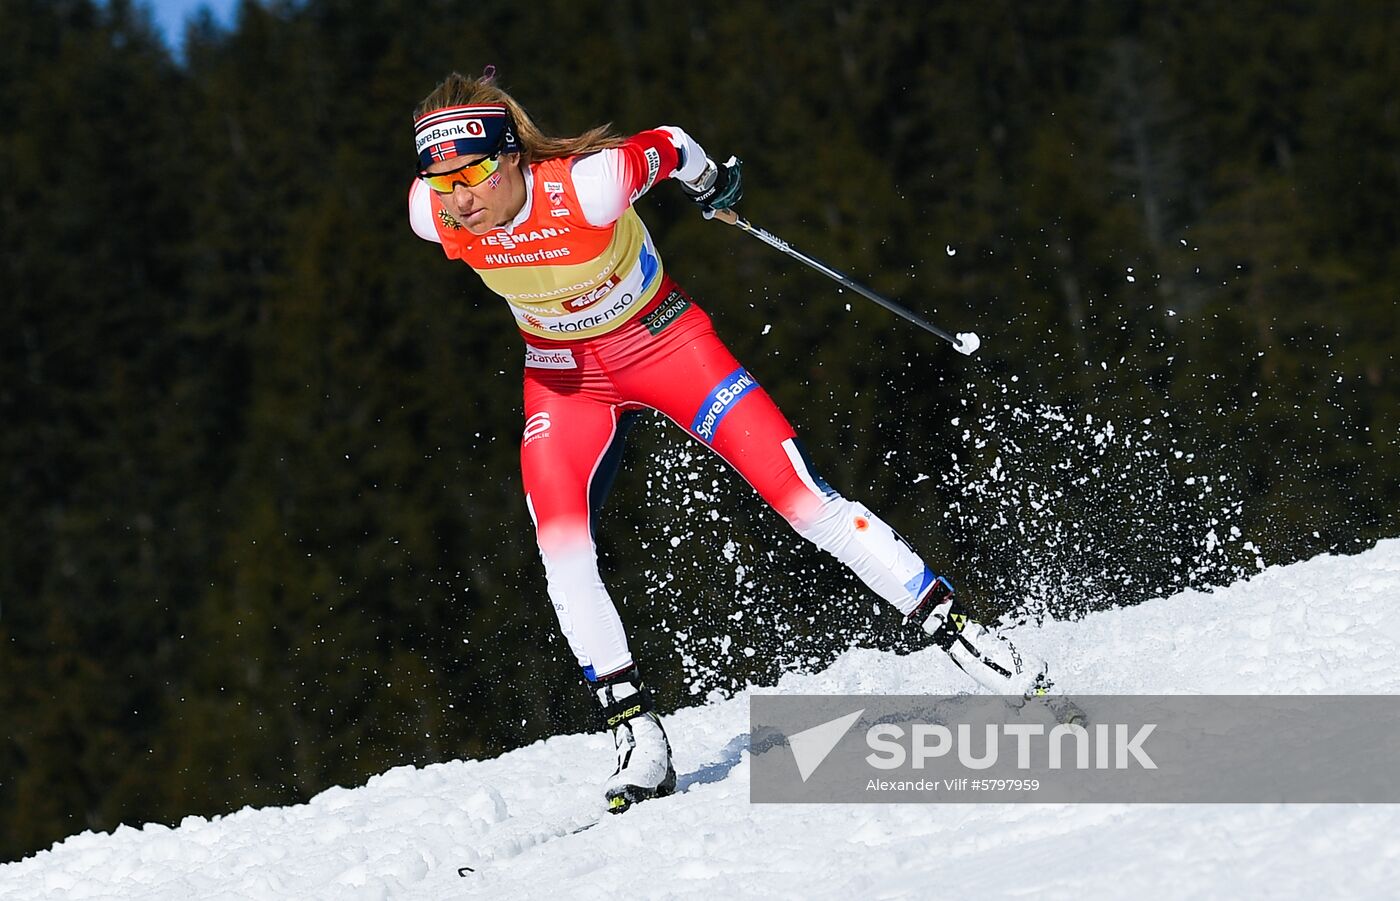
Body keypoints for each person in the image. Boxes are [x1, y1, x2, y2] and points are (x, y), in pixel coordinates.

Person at [408, 70, 1057, 814]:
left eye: (476, 172)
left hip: (662, 341)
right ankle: (636, 734)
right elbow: (445, 204)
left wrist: (712, 184)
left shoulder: (590, 186)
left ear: (513, 155)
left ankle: (962, 634)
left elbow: (674, 144)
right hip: (563, 376)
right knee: (561, 545)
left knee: (803, 500)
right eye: (442, 178)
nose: (460, 198)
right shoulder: (432, 215)